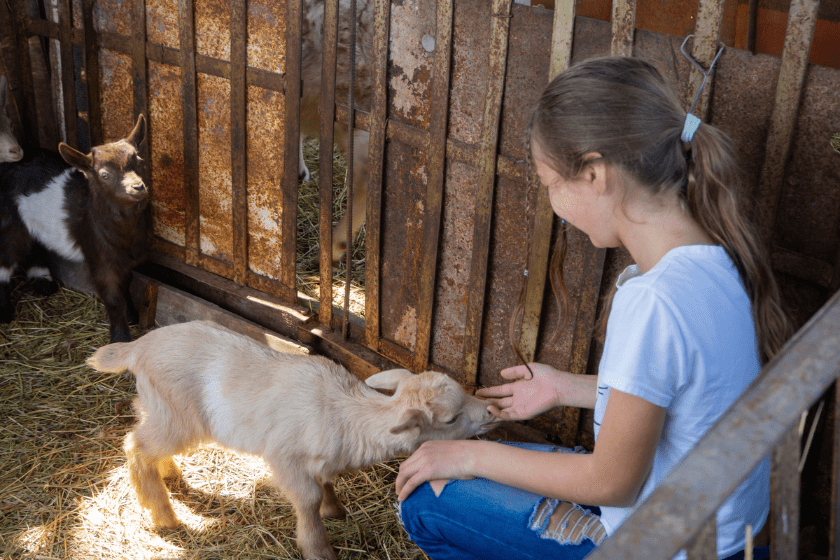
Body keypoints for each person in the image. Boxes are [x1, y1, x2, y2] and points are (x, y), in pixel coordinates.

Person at [395, 56, 792, 560]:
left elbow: (611, 483)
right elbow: (693, 395)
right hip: (733, 537)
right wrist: (565, 387)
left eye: (549, 185)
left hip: (662, 546)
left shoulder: (651, 302)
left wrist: (469, 452)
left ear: (595, 174)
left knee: (426, 502)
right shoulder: (718, 254)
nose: (555, 208)